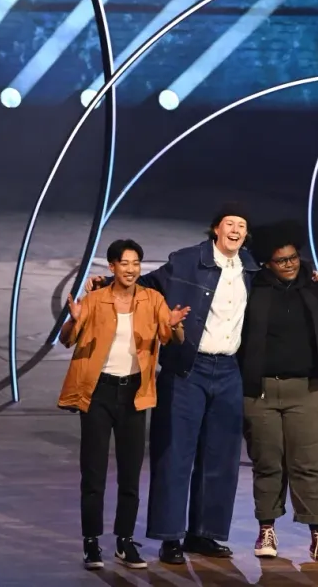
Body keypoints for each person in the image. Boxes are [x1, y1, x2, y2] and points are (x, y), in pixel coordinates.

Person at [88, 202, 259, 564]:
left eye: (241, 225)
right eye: (229, 223)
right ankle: (169, 537)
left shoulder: (251, 268)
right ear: (215, 229)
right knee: (175, 454)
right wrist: (106, 283)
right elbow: (148, 285)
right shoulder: (185, 260)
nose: (235, 230)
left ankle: (205, 533)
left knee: (221, 456)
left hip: (229, 370)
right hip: (187, 369)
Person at [59, 239, 189, 570]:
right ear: (112, 267)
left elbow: (171, 338)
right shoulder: (96, 299)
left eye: (136, 264)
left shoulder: (153, 299)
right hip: (98, 394)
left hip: (134, 394)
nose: (131, 270)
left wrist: (175, 326)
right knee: (94, 474)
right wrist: (74, 319)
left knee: (131, 475)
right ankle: (91, 543)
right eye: (124, 263)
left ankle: (124, 541)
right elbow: (67, 338)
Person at [239, 221, 318, 563]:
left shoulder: (317, 290)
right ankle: (267, 531)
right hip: (262, 392)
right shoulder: (253, 289)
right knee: (268, 463)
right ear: (267, 263)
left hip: (310, 391)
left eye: (292, 258)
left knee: (310, 466)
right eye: (280, 260)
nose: (289, 264)